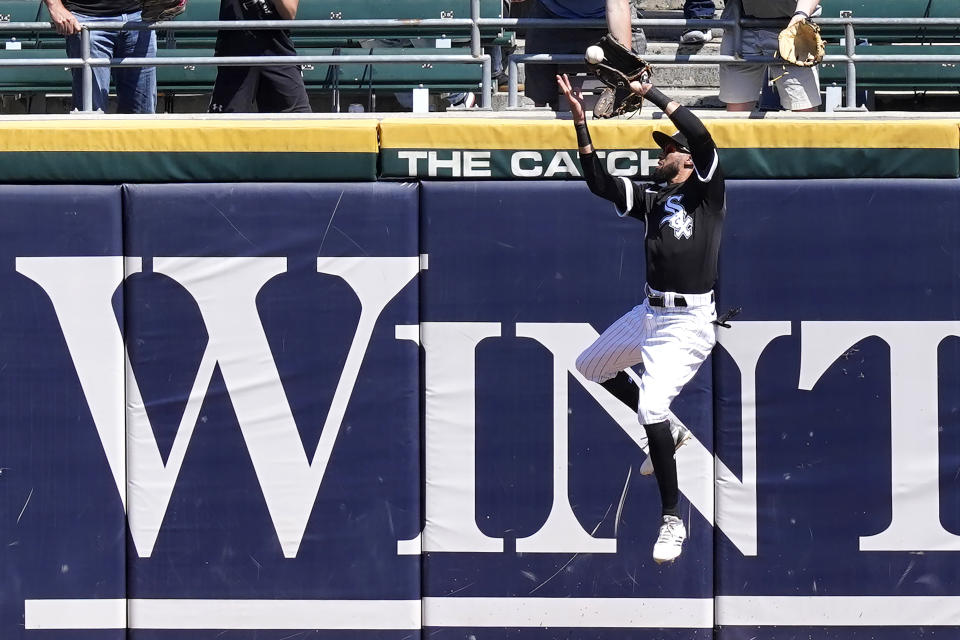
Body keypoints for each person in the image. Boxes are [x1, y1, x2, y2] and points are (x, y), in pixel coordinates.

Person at [557, 72, 725, 564]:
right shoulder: (654, 201)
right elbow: (599, 182)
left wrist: (649, 93)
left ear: (687, 160)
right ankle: (668, 435)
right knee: (591, 365)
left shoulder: (706, 193)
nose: (659, 156)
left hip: (687, 323)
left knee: (650, 408)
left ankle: (672, 518)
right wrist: (581, 124)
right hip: (649, 312)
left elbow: (701, 135)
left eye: (666, 151)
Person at [520, 0, 645, 110]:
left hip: (608, 14)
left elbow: (617, 5)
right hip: (551, 11)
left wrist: (625, 66)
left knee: (628, 85)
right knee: (541, 93)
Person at [44, 0, 157, 113]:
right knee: (91, 113)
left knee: (142, 114)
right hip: (86, 16)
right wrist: (55, 6)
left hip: (139, 16)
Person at [207, 0, 310, 113]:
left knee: (298, 121)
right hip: (234, 51)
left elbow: (289, 13)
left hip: (277, 50)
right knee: (226, 125)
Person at [719, 0, 823, 112]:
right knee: (737, 110)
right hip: (740, 25)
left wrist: (801, 14)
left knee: (803, 108)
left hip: (791, 27)